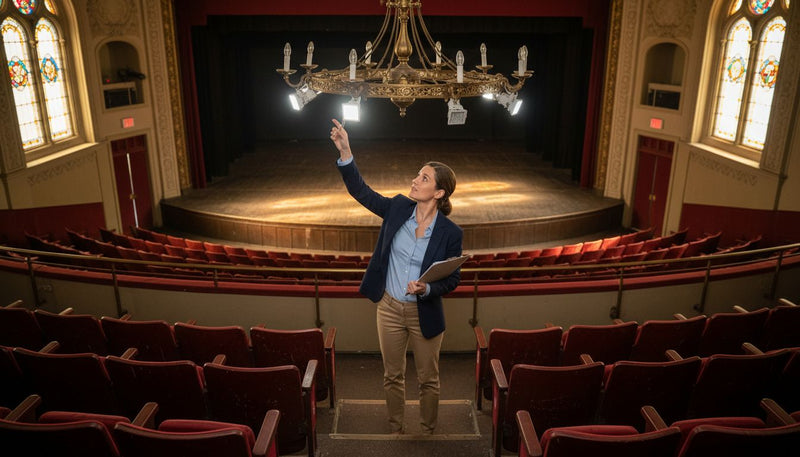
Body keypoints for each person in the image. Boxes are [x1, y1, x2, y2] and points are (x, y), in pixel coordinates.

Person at [329, 119, 463, 434]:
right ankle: (395, 428)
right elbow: (362, 192)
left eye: (424, 177)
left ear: (439, 192)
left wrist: (427, 286)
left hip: (424, 311)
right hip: (388, 308)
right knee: (392, 375)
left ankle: (428, 430)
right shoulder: (399, 207)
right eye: (418, 174)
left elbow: (452, 280)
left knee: (428, 379)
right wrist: (346, 150)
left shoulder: (450, 233)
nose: (415, 180)